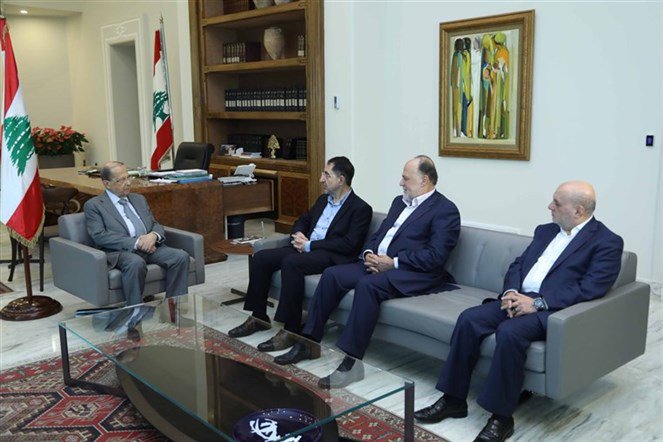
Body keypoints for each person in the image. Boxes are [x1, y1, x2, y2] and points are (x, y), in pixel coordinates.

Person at [414, 181, 624, 442]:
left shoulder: (607, 242)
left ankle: (501, 418)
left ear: (578, 211)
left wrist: (537, 304)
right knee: (469, 319)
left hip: (551, 310)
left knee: (510, 332)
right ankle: (453, 400)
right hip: (517, 298)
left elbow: (591, 288)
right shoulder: (546, 231)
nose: (550, 206)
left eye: (557, 203)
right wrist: (511, 292)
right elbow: (519, 264)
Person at [274, 155, 461, 390]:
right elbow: (378, 235)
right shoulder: (399, 202)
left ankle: (352, 363)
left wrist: (393, 262)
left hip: (414, 272)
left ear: (424, 180)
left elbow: (435, 256)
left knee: (368, 286)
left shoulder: (445, 210)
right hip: (378, 264)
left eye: (405, 178)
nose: (401, 183)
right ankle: (308, 343)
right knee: (332, 275)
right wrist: (369, 253)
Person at [228, 156, 373, 353]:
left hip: (330, 255)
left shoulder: (360, 209)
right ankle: (259, 317)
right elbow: (302, 220)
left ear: (341, 180)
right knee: (261, 258)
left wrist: (309, 245)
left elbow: (349, 244)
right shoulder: (322, 200)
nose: (321, 179)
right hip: (305, 247)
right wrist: (299, 235)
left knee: (292, 263)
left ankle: (291, 329)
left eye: (326, 175)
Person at [84, 161, 190, 306]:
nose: (128, 183)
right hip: (120, 251)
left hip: (150, 246)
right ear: (107, 184)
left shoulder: (139, 199)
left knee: (180, 256)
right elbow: (99, 235)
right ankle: (135, 311)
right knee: (135, 263)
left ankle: (173, 308)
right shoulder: (94, 205)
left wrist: (153, 236)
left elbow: (154, 224)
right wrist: (137, 243)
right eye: (121, 180)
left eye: (128, 177)